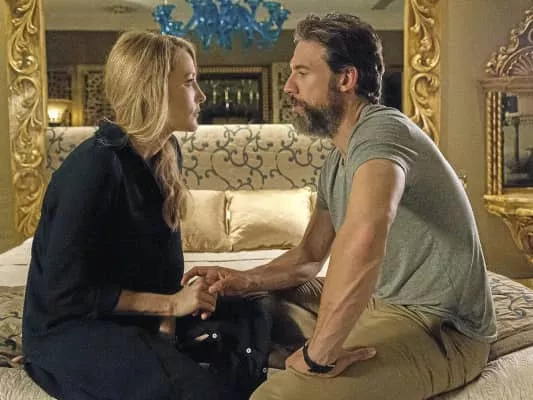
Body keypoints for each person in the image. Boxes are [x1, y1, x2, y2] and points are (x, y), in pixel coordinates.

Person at [182, 13, 497, 400]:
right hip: (380, 302)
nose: (288, 86)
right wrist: (240, 279)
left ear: (346, 79)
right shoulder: (337, 160)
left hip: (440, 327)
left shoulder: (382, 131)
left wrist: (317, 355)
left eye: (302, 73)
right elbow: (309, 256)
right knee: (244, 302)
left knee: (275, 397)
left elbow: (364, 237)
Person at [21, 31, 270, 400]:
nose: (201, 95)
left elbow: (164, 266)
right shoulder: (94, 167)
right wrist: (170, 305)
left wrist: (172, 314)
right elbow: (67, 295)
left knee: (254, 312)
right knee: (198, 389)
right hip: (73, 328)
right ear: (153, 90)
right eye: (189, 82)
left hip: (137, 317)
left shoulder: (166, 153)